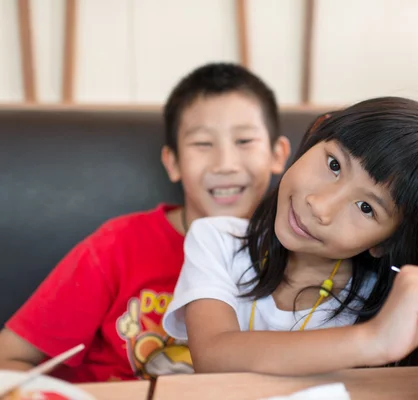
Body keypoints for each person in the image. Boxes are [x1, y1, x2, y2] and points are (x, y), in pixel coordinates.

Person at [162, 96, 418, 375]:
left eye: (366, 208)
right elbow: (213, 355)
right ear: (316, 133)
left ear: (385, 242)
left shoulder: (394, 301)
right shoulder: (217, 240)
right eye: (333, 165)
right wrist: (373, 339)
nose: (320, 207)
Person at [0, 63, 290, 382]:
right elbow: (9, 357)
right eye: (203, 144)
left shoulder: (299, 248)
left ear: (278, 154)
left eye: (244, 141)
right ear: (173, 162)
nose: (225, 164)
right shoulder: (117, 246)